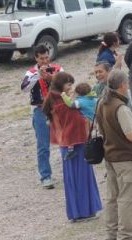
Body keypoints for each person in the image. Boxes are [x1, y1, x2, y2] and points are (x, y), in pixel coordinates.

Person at [96, 70, 132, 240]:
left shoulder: (102, 103)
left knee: (112, 197)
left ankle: (111, 235)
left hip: (110, 155)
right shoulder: (121, 108)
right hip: (125, 157)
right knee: (128, 198)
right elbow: (131, 135)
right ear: (122, 86)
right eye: (127, 83)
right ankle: (126, 237)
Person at [43, 72, 102, 222]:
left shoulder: (56, 100)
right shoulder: (62, 104)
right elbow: (77, 122)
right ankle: (83, 211)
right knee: (80, 179)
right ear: (61, 85)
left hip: (69, 144)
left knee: (75, 179)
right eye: (69, 84)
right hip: (74, 145)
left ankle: (81, 211)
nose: (71, 87)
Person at [20, 44, 63, 189]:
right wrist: (38, 75)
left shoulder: (57, 69)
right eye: (41, 58)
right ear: (36, 58)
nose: (45, 61)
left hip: (58, 110)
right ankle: (46, 176)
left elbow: (66, 84)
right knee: (43, 145)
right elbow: (24, 88)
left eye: (46, 57)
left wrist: (51, 78)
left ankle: (69, 171)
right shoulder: (31, 72)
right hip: (40, 111)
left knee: (65, 140)